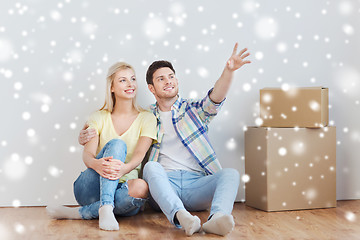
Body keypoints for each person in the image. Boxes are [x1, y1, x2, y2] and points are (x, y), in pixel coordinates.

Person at [79, 43, 250, 236]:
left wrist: (229, 71)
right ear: (151, 88)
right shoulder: (147, 116)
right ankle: (181, 216)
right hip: (163, 185)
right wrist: (85, 135)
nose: (168, 81)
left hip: (197, 184)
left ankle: (217, 218)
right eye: (161, 79)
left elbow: (216, 97)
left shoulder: (195, 110)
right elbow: (119, 131)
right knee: (151, 167)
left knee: (231, 174)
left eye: (171, 76)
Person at [46, 62, 157, 231]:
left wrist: (124, 169)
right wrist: (96, 164)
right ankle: (105, 206)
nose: (130, 84)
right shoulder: (98, 117)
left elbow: (140, 155)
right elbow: (87, 154)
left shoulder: (147, 118)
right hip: (91, 187)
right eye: (123, 80)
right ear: (111, 87)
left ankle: (80, 213)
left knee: (142, 187)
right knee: (117, 144)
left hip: (124, 189)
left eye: (133, 79)